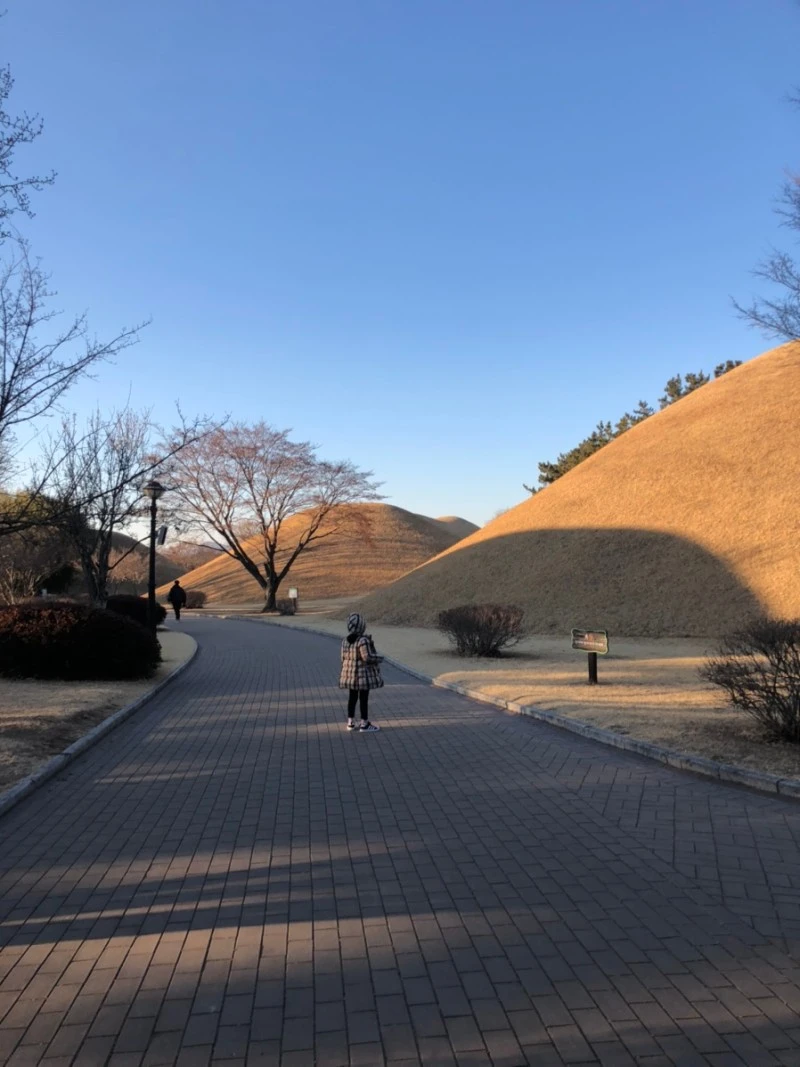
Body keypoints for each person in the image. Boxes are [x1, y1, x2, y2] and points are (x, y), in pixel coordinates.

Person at [339, 612, 383, 731]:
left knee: (352, 698)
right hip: (362, 676)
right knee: (363, 698)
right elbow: (367, 657)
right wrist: (379, 658)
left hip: (350, 676)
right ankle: (364, 723)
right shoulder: (363, 640)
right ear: (362, 626)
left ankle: (350, 722)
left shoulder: (345, 641)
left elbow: (342, 658)